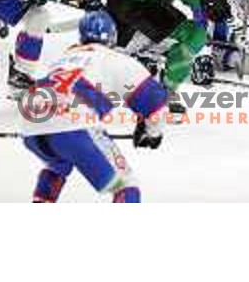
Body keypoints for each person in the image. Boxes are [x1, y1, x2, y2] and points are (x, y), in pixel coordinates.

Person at [21, 10, 167, 203]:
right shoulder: (114, 59)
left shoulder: (67, 57)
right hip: (73, 126)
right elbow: (154, 101)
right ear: (113, 36)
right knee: (126, 184)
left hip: (31, 123)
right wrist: (153, 132)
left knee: (57, 165)